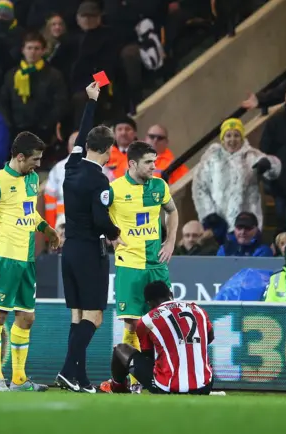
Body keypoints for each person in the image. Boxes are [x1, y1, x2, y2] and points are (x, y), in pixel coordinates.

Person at [0, 131, 60, 392]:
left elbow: (28, 212)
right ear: (20, 157)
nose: (38, 164)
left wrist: (47, 229)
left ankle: (19, 379)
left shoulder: (32, 179)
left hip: (26, 259)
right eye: (35, 159)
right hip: (4, 258)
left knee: (26, 317)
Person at [55, 82, 122, 393]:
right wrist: (116, 235)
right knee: (93, 317)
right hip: (89, 253)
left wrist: (91, 102)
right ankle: (68, 370)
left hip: (70, 250)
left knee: (77, 315)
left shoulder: (71, 167)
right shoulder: (100, 180)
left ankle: (78, 379)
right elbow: (100, 218)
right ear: (109, 150)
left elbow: (81, 137)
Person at [108, 140, 179, 393]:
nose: (153, 166)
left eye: (155, 161)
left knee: (162, 322)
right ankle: (135, 382)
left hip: (156, 264)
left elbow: (172, 211)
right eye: (149, 162)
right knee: (132, 324)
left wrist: (170, 241)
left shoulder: (159, 186)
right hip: (129, 265)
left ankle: (164, 375)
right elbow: (97, 214)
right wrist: (109, 235)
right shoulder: (114, 189)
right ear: (132, 164)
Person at [100, 280, 214, 395]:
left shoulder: (146, 320)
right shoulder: (198, 310)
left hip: (166, 388)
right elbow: (209, 338)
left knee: (120, 349)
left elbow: (148, 357)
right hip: (205, 386)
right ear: (170, 295)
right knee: (203, 359)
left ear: (150, 303)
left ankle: (117, 386)